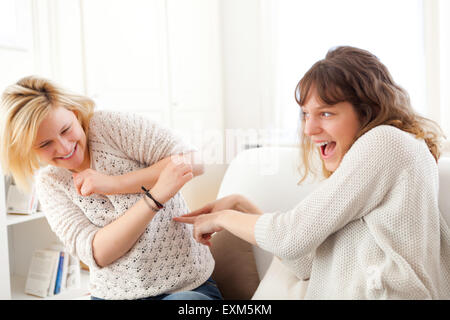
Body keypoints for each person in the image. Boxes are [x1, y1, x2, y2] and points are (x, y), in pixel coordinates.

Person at [174, 46, 450, 299]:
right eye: (306, 114)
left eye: (326, 113)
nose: (309, 129)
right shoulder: (372, 166)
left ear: (368, 111)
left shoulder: (385, 142)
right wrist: (242, 206)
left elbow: (291, 237)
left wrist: (223, 217)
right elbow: (304, 262)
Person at [0, 76, 222, 300]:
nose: (64, 147)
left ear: (74, 114)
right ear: (30, 150)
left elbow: (194, 161)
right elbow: (97, 254)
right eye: (45, 144)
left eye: (66, 130)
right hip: (114, 295)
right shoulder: (50, 183)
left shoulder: (109, 127)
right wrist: (154, 198)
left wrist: (116, 184)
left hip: (185, 286)